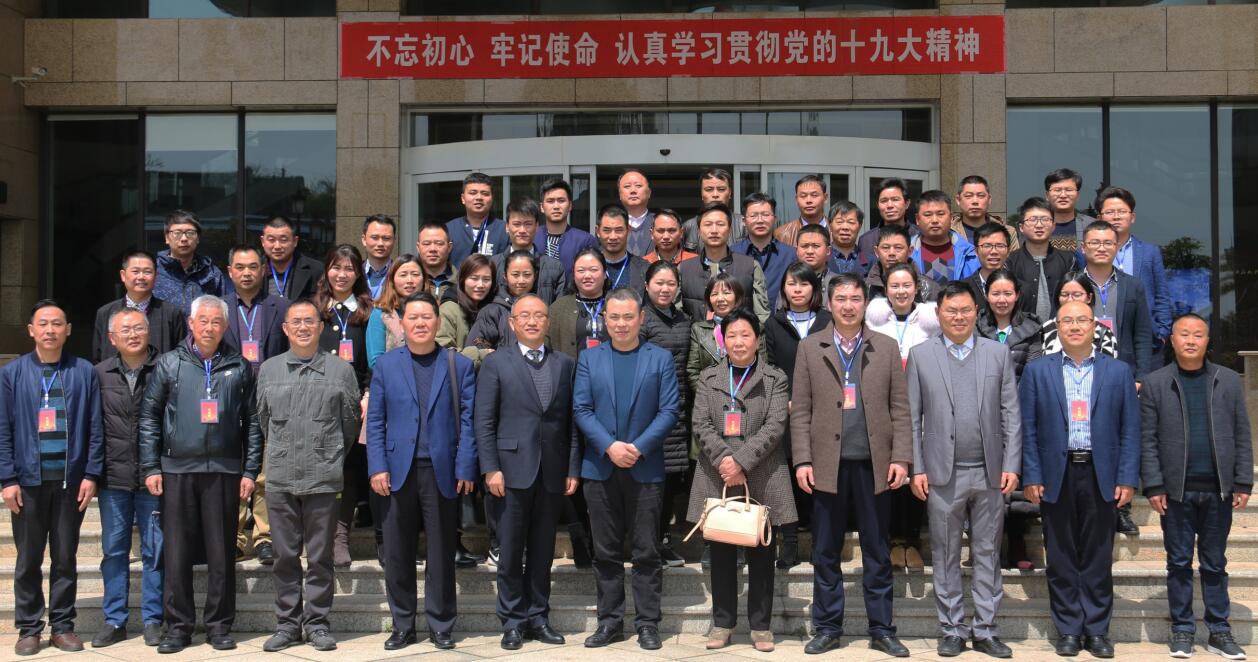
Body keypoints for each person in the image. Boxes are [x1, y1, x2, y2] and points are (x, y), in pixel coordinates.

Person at [792, 274, 912, 657]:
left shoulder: (886, 347)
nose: (848, 306)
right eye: (841, 299)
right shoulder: (810, 347)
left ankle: (882, 629)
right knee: (826, 551)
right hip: (826, 466)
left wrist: (901, 457)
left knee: (877, 550)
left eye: (855, 299)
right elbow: (801, 410)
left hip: (874, 466)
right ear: (829, 303)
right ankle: (828, 627)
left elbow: (900, 408)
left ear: (865, 304)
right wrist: (803, 459)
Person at [138, 295, 262, 654]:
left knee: (222, 552)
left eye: (216, 322)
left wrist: (250, 470)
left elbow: (253, 422)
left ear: (225, 326)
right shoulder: (169, 363)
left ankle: (219, 625)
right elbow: (149, 418)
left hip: (224, 471)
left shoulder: (239, 366)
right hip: (177, 470)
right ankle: (178, 627)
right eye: (202, 321)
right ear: (191, 324)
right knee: (176, 552)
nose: (209, 328)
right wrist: (151, 466)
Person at [907, 281, 1021, 659]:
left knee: (988, 553)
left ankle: (986, 630)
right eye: (951, 311)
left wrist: (1011, 464)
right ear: (938, 314)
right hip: (942, 474)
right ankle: (952, 628)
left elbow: (1011, 413)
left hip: (989, 473)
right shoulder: (921, 355)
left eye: (966, 310)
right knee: (945, 554)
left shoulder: (997, 353)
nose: (959, 317)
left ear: (977, 312)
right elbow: (912, 419)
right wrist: (917, 468)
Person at [1019, 300, 1140, 658]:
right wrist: (1032, 474)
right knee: (1060, 557)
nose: (1074, 326)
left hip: (1101, 474)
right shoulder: (1038, 371)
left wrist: (1126, 477)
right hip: (1055, 474)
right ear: (1057, 327)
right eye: (1067, 320)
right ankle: (1069, 629)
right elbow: (1028, 429)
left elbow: (1130, 430)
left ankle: (1097, 630)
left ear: (1095, 327)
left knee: (1098, 557)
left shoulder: (1118, 372)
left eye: (1082, 320)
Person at [366, 292, 478, 652]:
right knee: (397, 552)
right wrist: (377, 466)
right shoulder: (386, 366)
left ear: (437, 321)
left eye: (426, 317)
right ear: (402, 322)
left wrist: (465, 465)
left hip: (442, 469)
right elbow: (376, 420)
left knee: (442, 552)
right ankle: (402, 624)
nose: (419, 323)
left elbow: (469, 421)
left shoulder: (458, 365)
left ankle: (441, 624)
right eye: (412, 317)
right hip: (397, 471)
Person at [1140, 314, 1252, 660]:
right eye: (1184, 334)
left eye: (1198, 335)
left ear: (1207, 340)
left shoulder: (1227, 380)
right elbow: (1148, 440)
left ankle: (1219, 630)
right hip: (1176, 491)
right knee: (1178, 562)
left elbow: (1242, 433)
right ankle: (1183, 630)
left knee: (1215, 562)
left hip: (1219, 489)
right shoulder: (1156, 383)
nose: (1191, 340)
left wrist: (1243, 480)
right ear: (1172, 340)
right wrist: (1153, 484)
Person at [574, 288, 680, 651]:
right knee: (605, 552)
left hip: (644, 467)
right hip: (600, 468)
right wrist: (610, 446)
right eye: (614, 317)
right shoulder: (589, 358)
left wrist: (637, 447)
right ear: (605, 320)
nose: (621, 324)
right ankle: (610, 621)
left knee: (646, 550)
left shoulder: (660, 358)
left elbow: (669, 411)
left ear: (641, 318)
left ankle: (648, 623)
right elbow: (581, 409)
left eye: (628, 317)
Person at [474, 294, 579, 651]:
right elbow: (484, 420)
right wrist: (490, 468)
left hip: (551, 472)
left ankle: (539, 617)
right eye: (525, 316)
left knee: (542, 551)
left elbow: (571, 423)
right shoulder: (495, 363)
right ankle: (512, 621)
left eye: (539, 316)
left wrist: (572, 467)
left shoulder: (564, 364)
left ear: (548, 323)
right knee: (510, 550)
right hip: (509, 472)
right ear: (512, 323)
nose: (532, 321)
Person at [255, 299, 361, 653]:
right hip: (281, 477)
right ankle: (287, 624)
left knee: (320, 557)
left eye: (309, 321)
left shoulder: (341, 371)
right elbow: (263, 421)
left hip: (323, 477)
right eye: (296, 322)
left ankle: (317, 623)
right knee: (285, 556)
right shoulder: (269, 370)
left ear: (320, 327)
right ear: (285, 329)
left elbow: (349, 425)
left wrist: (326, 453)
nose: (302, 327)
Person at [689, 309, 795, 654]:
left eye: (745, 335)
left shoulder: (775, 378)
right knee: (720, 553)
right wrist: (725, 459)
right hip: (718, 473)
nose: (738, 342)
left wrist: (742, 461)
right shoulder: (709, 377)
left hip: (762, 473)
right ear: (723, 341)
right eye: (732, 335)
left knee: (762, 553)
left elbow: (775, 426)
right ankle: (723, 623)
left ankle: (761, 626)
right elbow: (701, 423)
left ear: (757, 339)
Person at [0, 300, 102, 656]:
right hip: (27, 482)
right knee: (28, 559)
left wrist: (91, 473)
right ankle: (29, 628)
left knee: (65, 558)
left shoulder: (83, 371)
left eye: (57, 323)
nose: (50, 330)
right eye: (43, 324)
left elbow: (95, 426)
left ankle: (62, 626)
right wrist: (7, 479)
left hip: (69, 482)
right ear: (31, 330)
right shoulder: (12, 373)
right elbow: (3, 429)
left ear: (68, 330)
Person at [91, 308, 163, 649]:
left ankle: (153, 619)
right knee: (114, 551)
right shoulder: (99, 374)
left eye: (138, 328)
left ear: (149, 332)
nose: (133, 335)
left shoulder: (165, 368)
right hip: (114, 478)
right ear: (111, 338)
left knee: (155, 551)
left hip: (153, 478)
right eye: (125, 330)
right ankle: (114, 619)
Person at [865, 262, 939, 570]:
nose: (901, 291)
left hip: (923, 407)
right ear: (886, 290)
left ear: (916, 288)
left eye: (906, 285)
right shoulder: (873, 324)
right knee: (891, 471)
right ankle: (895, 540)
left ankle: (913, 539)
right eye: (894, 286)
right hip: (884, 407)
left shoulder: (931, 324)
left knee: (917, 472)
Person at [762, 262, 830, 567]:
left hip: (824, 413)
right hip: (786, 412)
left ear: (814, 288)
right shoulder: (773, 324)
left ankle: (819, 543)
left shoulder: (828, 321)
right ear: (784, 289)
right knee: (787, 477)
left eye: (804, 284)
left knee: (820, 477)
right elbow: (770, 368)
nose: (798, 290)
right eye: (792, 284)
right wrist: (786, 400)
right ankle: (788, 542)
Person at [314, 245, 378, 567]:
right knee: (320, 467)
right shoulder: (315, 309)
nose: (342, 274)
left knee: (350, 470)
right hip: (317, 403)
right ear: (327, 270)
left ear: (358, 274)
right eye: (336, 267)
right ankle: (319, 533)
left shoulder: (368, 312)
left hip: (355, 405)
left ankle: (340, 535)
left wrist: (367, 394)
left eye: (349, 268)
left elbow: (372, 360)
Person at [639, 260, 693, 568]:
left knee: (670, 483)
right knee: (648, 485)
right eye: (659, 283)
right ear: (647, 285)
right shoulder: (641, 319)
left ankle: (661, 540)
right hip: (648, 412)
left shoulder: (684, 319)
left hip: (679, 411)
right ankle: (646, 545)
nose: (665, 289)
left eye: (671, 283)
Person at [1093, 186, 1172, 354]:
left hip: (1145, 336)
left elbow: (1161, 295)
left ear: (1132, 217)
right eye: (1110, 212)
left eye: (1122, 211)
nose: (1116, 216)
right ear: (1099, 218)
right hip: (1101, 336)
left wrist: (1162, 332)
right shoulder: (1087, 253)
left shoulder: (1150, 252)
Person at [1079, 221, 1152, 382]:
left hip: (1124, 372)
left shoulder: (1133, 286)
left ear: (1117, 247)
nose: (1101, 248)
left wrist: (1141, 378)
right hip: (1079, 370)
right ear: (1083, 247)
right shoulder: (1071, 285)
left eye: (1108, 243)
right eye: (1095, 243)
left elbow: (1143, 335)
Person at [678, 202, 769, 323]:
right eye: (708, 225)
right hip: (696, 335)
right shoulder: (684, 269)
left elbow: (762, 316)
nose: (714, 230)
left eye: (720, 224)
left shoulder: (750, 266)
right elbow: (677, 314)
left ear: (730, 230)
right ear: (699, 231)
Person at [92, 250, 186, 363]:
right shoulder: (105, 313)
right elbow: (98, 358)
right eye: (135, 271)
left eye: (147, 272)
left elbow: (180, 357)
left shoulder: (171, 313)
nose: (141, 277)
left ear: (156, 276)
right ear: (123, 275)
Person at [1006, 197, 1076, 322]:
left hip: (1060, 329)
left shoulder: (1069, 260)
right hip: (1021, 330)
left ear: (1053, 226)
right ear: (1021, 227)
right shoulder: (1010, 261)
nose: (1039, 225)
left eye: (1045, 219)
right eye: (1032, 219)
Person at [687, 273, 760, 390]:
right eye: (714, 294)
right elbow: (693, 371)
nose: (720, 299)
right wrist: (709, 396)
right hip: (709, 396)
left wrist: (742, 396)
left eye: (726, 293)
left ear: (737, 296)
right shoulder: (698, 330)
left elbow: (761, 366)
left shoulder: (754, 326)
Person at [490, 197, 566, 304]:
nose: (522, 230)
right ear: (507, 227)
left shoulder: (555, 267)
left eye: (528, 224)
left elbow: (560, 308)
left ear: (537, 226)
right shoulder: (493, 265)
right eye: (516, 224)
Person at [153, 210, 230, 314]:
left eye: (190, 233)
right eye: (177, 233)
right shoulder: (154, 271)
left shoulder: (211, 274)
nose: (184, 238)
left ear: (198, 238)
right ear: (167, 238)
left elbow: (222, 312)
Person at [470, 250, 539, 355]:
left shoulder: (542, 309)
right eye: (515, 274)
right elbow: (476, 349)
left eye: (527, 274)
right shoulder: (492, 311)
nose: (521, 280)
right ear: (505, 276)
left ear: (535, 276)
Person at [733, 192, 794, 311]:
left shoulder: (790, 255)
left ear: (775, 219)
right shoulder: (732, 253)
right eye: (753, 216)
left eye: (765, 215)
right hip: (742, 319)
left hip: (780, 319)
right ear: (744, 221)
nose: (760, 220)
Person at [977, 268, 1043, 378]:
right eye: (996, 294)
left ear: (1017, 295)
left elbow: (1033, 372)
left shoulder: (1032, 329)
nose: (1002, 300)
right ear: (986, 295)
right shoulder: (976, 327)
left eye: (1008, 294)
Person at [366, 254, 427, 369]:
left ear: (424, 279)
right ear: (392, 279)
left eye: (415, 274)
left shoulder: (434, 311)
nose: (410, 280)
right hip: (391, 378)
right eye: (403, 275)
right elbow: (375, 361)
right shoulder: (380, 313)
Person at [437, 253, 496, 369]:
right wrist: (481, 355)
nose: (480, 285)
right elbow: (443, 354)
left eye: (486, 279)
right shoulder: (449, 309)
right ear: (463, 279)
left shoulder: (495, 308)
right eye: (474, 278)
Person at [1040, 273, 1119, 360]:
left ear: (1089, 298)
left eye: (1077, 295)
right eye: (1064, 295)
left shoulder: (1103, 332)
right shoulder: (1046, 329)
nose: (1070, 300)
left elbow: (1109, 366)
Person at [547, 248, 609, 359]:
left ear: (605, 274)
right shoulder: (558, 308)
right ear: (574, 275)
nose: (587, 276)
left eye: (594, 270)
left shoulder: (617, 305)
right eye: (581, 270)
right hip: (572, 369)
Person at [911, 189, 979, 286]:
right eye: (928, 215)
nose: (934, 220)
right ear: (917, 219)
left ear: (951, 217)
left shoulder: (970, 254)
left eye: (940, 214)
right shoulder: (906, 253)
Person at [536, 178, 599, 281]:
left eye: (561, 201)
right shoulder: (532, 237)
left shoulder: (585, 241)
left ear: (570, 206)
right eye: (550, 201)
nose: (556, 206)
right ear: (542, 207)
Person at [447, 172, 508, 267]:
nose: (479, 197)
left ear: (492, 198)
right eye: (473, 193)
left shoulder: (505, 230)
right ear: (463, 198)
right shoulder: (449, 229)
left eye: (485, 194)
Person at [866, 224, 938, 303]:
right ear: (876, 252)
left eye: (898, 248)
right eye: (886, 248)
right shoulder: (865, 288)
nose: (891, 253)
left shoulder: (930, 289)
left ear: (910, 251)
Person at [260, 216, 324, 300]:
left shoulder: (316, 270)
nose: (277, 246)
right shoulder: (254, 269)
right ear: (263, 241)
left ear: (295, 241)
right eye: (271, 240)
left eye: (283, 240)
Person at [682, 168, 745, 251]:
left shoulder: (744, 224)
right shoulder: (688, 227)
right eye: (709, 189)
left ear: (730, 193)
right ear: (701, 194)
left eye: (721, 189)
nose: (715, 194)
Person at [951, 175, 1020, 251]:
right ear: (958, 200)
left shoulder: (1009, 232)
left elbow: (1014, 258)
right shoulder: (947, 232)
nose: (975, 201)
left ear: (989, 199)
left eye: (981, 196)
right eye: (968, 196)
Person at [856, 178, 919, 259]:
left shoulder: (919, 235)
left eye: (895, 200)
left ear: (907, 203)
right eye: (884, 201)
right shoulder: (866, 240)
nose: (889, 205)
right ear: (878, 205)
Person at [595, 204, 650, 294]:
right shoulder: (586, 268)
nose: (613, 237)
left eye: (619, 230)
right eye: (607, 230)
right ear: (598, 231)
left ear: (628, 230)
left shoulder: (644, 269)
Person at [965, 223, 1015, 317]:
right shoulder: (963, 289)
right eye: (987, 246)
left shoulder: (1021, 289)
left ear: (1008, 251)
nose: (994, 252)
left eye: (1000, 245)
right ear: (976, 251)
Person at [1044, 169, 1095, 254]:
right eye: (1057, 190)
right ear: (1047, 195)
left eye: (1068, 190)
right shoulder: (1036, 226)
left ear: (1077, 195)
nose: (1063, 195)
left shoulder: (1092, 225)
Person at [773, 174, 829, 246]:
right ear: (796, 200)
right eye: (803, 196)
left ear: (825, 198)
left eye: (814, 195)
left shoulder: (837, 232)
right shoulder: (781, 234)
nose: (808, 200)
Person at [618, 169, 655, 256]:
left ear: (649, 193)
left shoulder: (660, 222)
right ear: (620, 194)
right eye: (627, 186)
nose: (633, 191)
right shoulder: (610, 225)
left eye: (638, 186)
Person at [828, 200, 869, 276]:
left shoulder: (871, 261)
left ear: (860, 227)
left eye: (851, 222)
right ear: (830, 226)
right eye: (839, 222)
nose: (845, 227)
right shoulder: (820, 258)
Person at [361, 214, 397, 300]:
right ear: (364, 240)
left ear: (394, 241)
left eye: (386, 238)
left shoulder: (399, 273)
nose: (380, 243)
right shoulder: (355, 273)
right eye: (374, 237)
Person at [416, 221, 456, 298]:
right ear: (418, 247)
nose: (433, 249)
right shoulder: (409, 283)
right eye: (426, 244)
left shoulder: (462, 283)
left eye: (439, 243)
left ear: (449, 247)